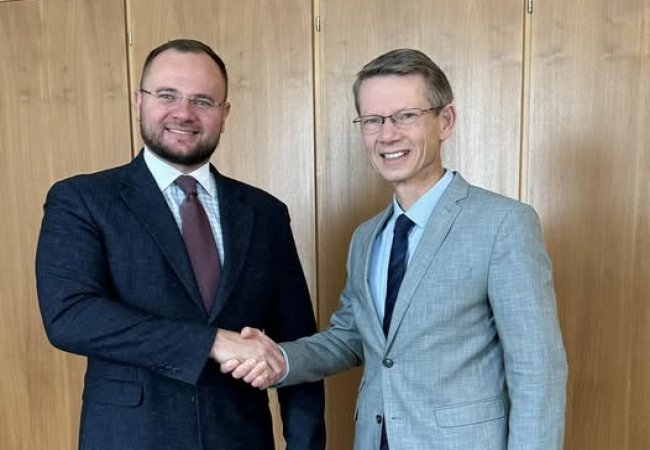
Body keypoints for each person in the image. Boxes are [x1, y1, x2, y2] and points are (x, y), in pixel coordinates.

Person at [225, 48, 568, 450]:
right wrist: (281, 359)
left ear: (445, 121)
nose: (387, 134)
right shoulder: (365, 237)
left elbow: (537, 370)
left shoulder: (503, 224)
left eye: (406, 116)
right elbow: (351, 337)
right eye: (373, 120)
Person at [35, 38, 325, 450]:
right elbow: (71, 316)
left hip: (240, 437)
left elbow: (296, 347)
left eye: (203, 101)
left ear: (224, 114)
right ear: (139, 101)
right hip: (130, 438)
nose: (184, 113)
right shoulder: (82, 199)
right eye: (167, 95)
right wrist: (211, 342)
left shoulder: (266, 214)